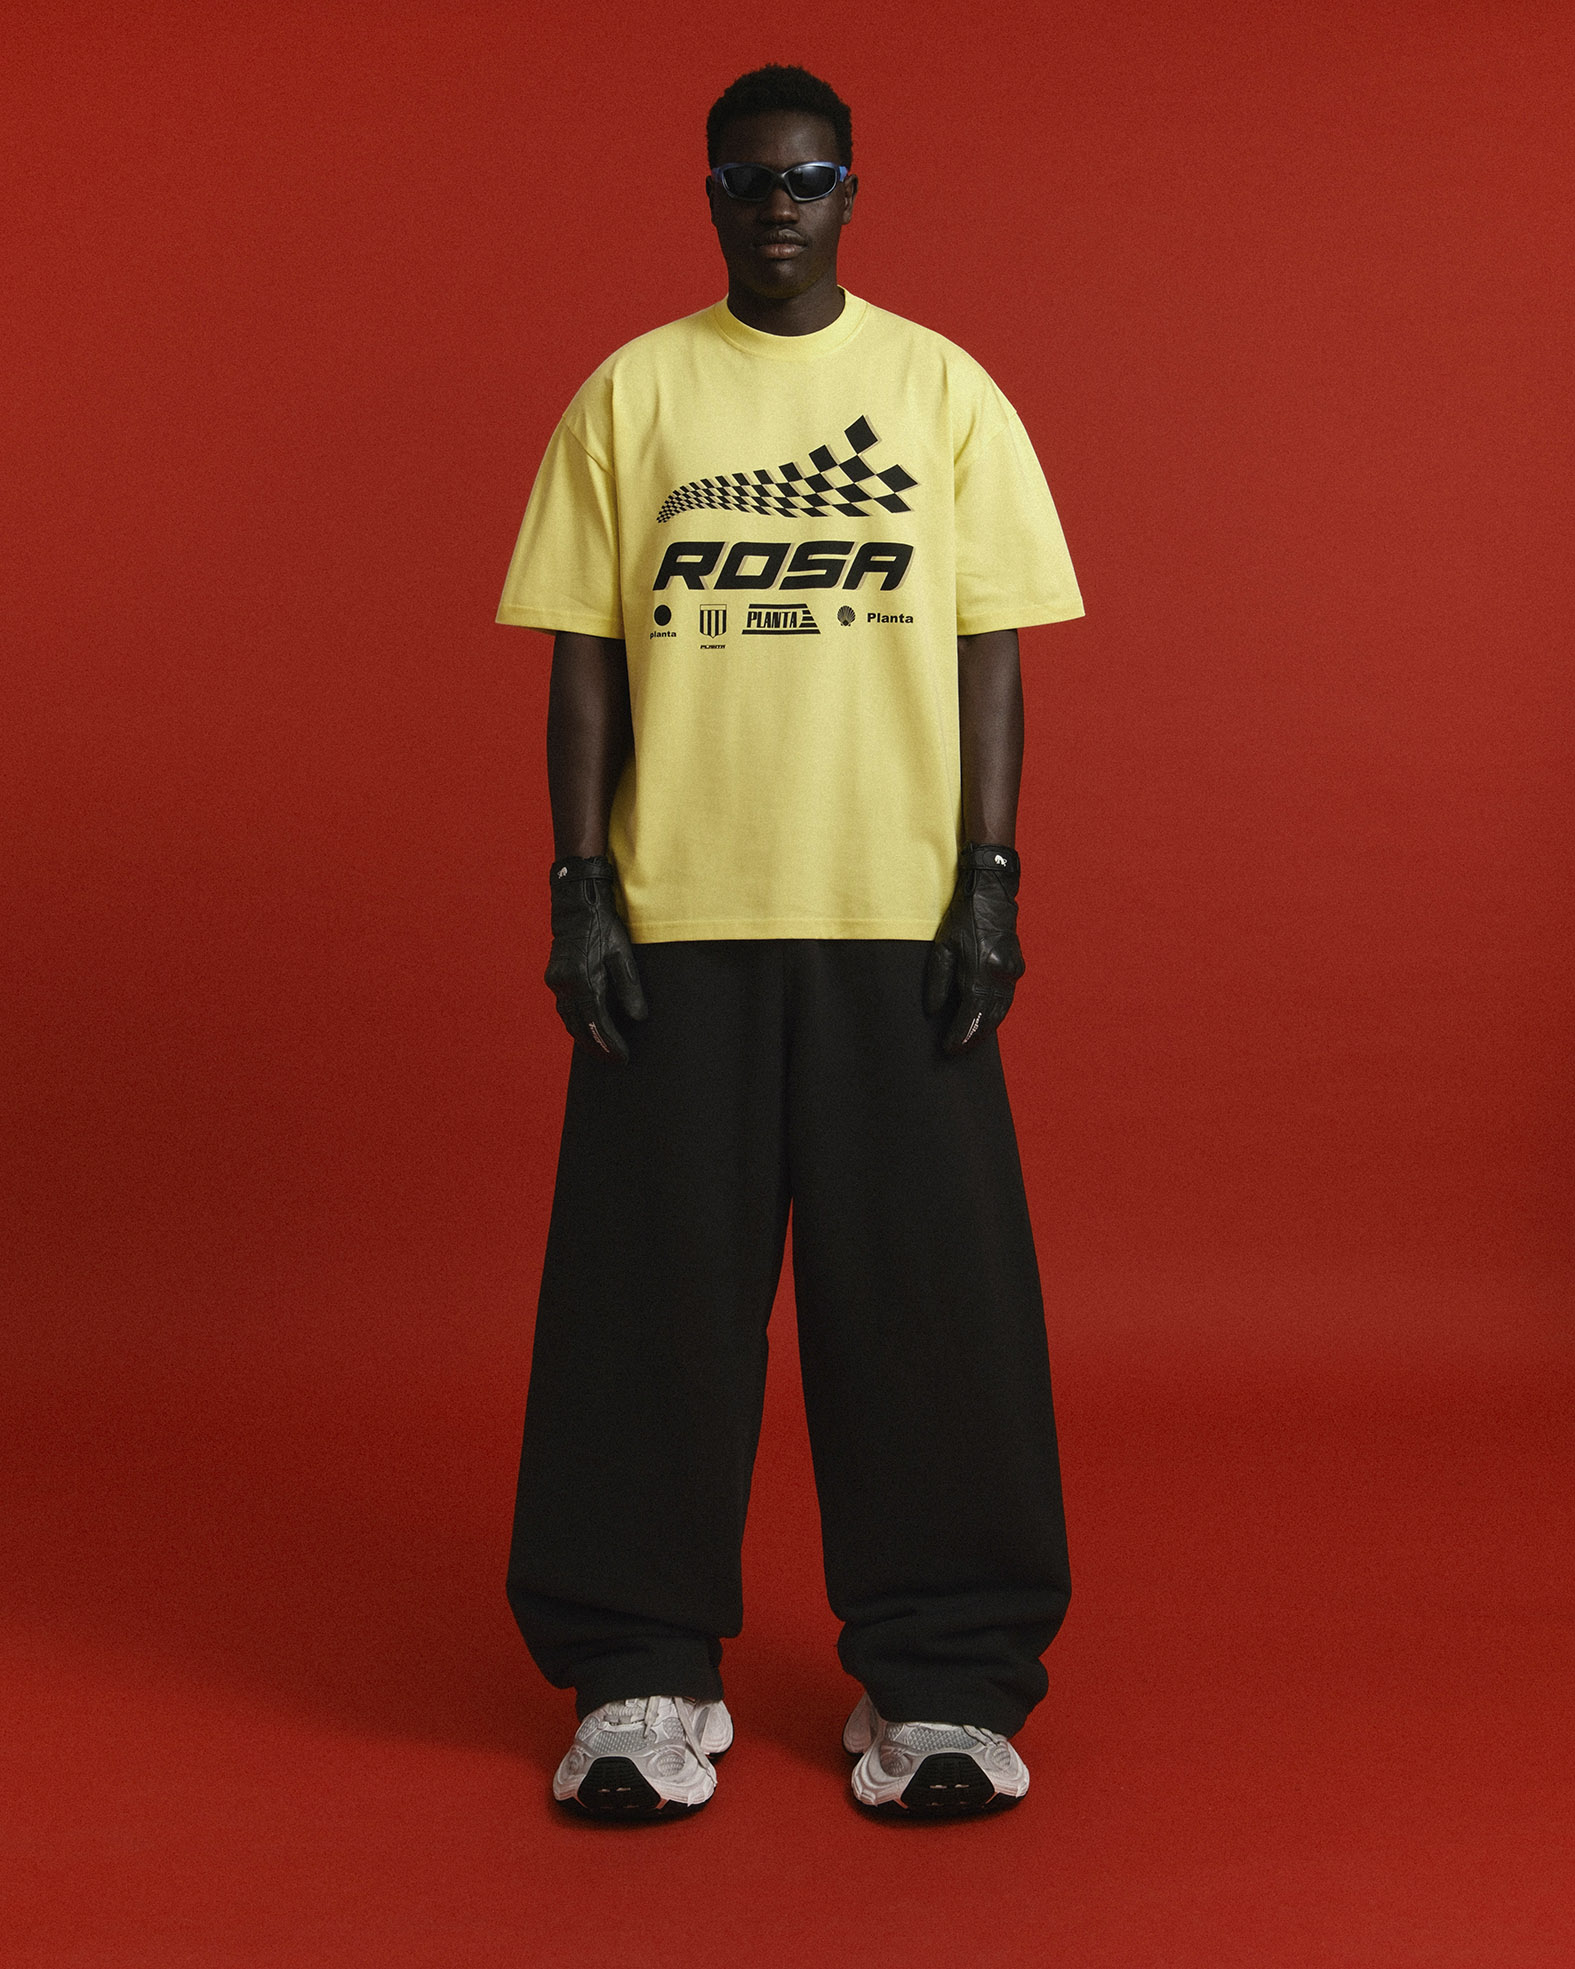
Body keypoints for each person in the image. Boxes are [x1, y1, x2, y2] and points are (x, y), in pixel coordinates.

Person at [495, 63, 1084, 1819]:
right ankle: (639, 1673)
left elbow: (990, 641)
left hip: (895, 916)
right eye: (747, 180)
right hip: (679, 913)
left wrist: (990, 874)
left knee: (929, 1309)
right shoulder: (633, 395)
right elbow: (584, 656)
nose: (778, 204)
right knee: (646, 1306)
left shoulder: (941, 390)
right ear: (709, 196)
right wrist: (579, 885)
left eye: (808, 177)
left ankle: (943, 1681)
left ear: (850, 193)